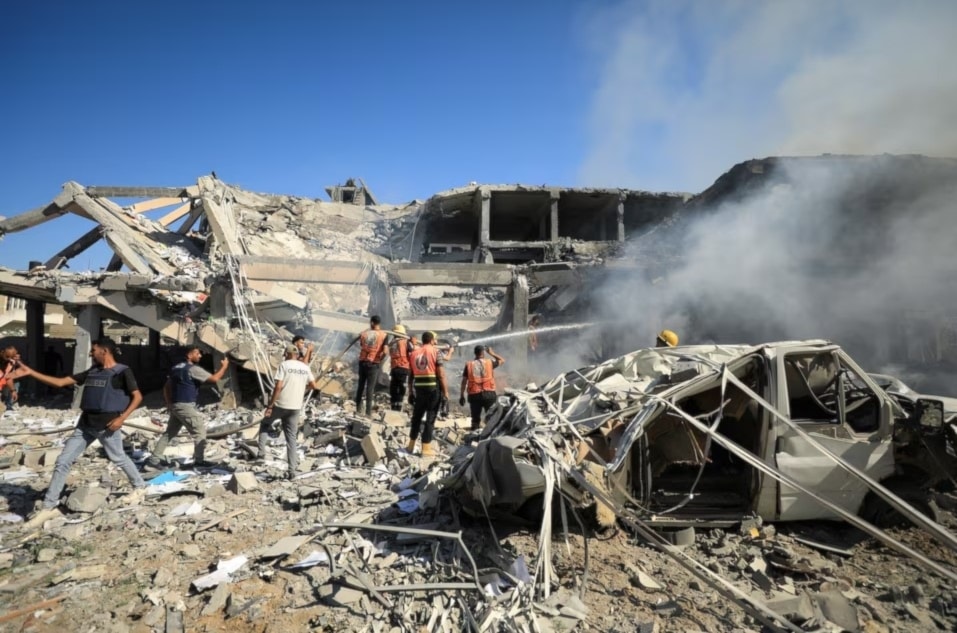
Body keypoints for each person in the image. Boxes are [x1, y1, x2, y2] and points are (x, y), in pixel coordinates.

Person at [14, 338, 146, 527]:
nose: (91, 353)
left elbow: (137, 396)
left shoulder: (122, 372)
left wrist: (121, 418)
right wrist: (30, 372)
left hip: (107, 425)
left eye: (94, 350)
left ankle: (140, 487)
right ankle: (49, 507)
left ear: (105, 351)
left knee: (118, 458)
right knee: (62, 461)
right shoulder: (92, 372)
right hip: (85, 424)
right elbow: (60, 382)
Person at [146, 345, 230, 469]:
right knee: (200, 431)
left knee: (169, 433)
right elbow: (214, 379)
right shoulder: (193, 369)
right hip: (185, 405)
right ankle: (199, 461)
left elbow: (166, 387)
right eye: (197, 353)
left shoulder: (176, 368)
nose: (200, 356)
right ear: (189, 355)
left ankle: (153, 460)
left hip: (176, 405)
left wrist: (169, 403)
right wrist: (224, 367)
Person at [258, 344, 321, 479]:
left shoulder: (284, 365)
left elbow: (278, 386)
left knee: (265, 424)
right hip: (295, 407)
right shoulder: (305, 367)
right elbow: (314, 386)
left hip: (281, 404)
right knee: (291, 438)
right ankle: (292, 470)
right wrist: (302, 390)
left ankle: (260, 454)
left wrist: (270, 405)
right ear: (297, 355)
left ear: (286, 354)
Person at [407, 331, 448, 457]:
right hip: (433, 389)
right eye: (435, 339)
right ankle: (426, 448)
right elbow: (440, 374)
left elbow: (411, 375)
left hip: (419, 389)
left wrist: (410, 392)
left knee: (416, 417)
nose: (436, 342)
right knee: (430, 418)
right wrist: (446, 392)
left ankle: (411, 445)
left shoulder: (414, 353)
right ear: (431, 340)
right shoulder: (436, 352)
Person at [459, 345, 505, 431]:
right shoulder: (489, 363)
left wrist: (462, 395)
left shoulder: (469, 365)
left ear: (475, 353)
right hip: (489, 394)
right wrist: (492, 353)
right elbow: (502, 360)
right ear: (483, 353)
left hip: (474, 395)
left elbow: (464, 382)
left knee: (475, 419)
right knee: (491, 418)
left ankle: (474, 437)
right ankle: (489, 437)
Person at [353, 315, 388, 416]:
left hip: (363, 362)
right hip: (373, 364)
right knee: (370, 388)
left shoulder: (364, 334)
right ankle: (368, 413)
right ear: (379, 323)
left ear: (372, 322)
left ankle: (358, 409)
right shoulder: (384, 335)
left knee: (360, 386)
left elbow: (361, 345)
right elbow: (385, 351)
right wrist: (379, 360)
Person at [388, 324, 412, 411]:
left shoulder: (392, 342)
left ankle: (394, 407)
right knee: (401, 389)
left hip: (395, 368)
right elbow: (412, 352)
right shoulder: (406, 342)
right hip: (403, 368)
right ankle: (398, 407)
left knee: (394, 389)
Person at [1, 346, 20, 410]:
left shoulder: (12, 362)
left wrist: (13, 390)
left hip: (6, 381)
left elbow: (9, 377)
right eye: (7, 357)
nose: (9, 359)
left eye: (12, 357)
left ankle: (8, 405)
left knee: (13, 386)